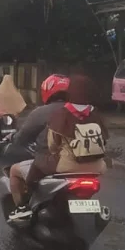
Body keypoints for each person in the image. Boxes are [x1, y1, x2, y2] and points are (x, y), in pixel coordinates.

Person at [7, 75, 108, 225]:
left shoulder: (59, 113)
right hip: (97, 167)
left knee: (23, 168)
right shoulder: (94, 114)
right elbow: (105, 140)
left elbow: (52, 144)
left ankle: (23, 208)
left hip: (66, 164)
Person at [7, 74, 70, 206]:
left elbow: (23, 137)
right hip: (86, 165)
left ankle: (21, 209)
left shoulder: (42, 112)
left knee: (14, 170)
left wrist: (13, 138)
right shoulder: (82, 110)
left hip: (54, 164)